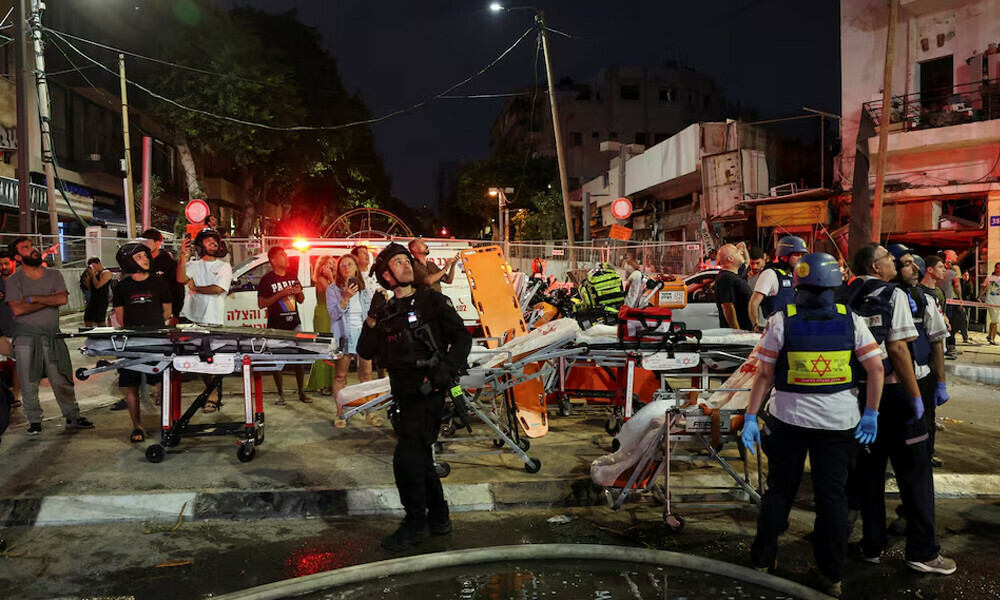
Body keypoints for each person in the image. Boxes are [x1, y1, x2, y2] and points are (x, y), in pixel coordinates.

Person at [741, 252, 884, 598]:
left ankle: (762, 560)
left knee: (779, 491)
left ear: (798, 285)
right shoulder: (851, 320)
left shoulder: (781, 320)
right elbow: (876, 368)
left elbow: (764, 374)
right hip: (839, 424)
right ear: (836, 284)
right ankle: (831, 575)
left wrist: (750, 416)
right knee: (832, 498)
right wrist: (871, 413)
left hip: (788, 422)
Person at [844, 243, 956, 576]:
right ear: (876, 267)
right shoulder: (894, 295)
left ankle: (872, 545)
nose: (894, 262)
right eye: (889, 258)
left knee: (870, 473)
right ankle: (923, 551)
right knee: (916, 474)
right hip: (895, 393)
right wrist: (916, 396)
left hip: (860, 395)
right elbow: (898, 349)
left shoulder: (845, 294)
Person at [358, 242, 472, 552]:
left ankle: (414, 524)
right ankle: (439, 518)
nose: (407, 265)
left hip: (428, 392)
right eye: (398, 262)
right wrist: (372, 320)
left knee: (405, 460)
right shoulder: (386, 312)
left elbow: (462, 339)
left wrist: (444, 371)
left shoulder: (432, 301)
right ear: (386, 275)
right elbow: (365, 351)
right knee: (420, 457)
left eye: (407, 260)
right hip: (403, 397)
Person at [6, 237, 95, 435]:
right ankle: (34, 420)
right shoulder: (14, 280)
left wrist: (34, 298)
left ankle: (73, 416)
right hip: (26, 337)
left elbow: (62, 299)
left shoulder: (54, 274)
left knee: (61, 377)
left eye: (32, 245)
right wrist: (49, 301)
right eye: (26, 248)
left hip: (53, 336)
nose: (33, 249)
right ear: (18, 257)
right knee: (28, 380)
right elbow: (18, 309)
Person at [889, 245, 948, 469]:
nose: (916, 269)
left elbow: (936, 341)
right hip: (889, 382)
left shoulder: (925, 299)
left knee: (921, 435)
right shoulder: (879, 298)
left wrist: (940, 382)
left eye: (916, 264)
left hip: (921, 377)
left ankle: (924, 459)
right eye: (908, 264)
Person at [112, 242, 172, 443]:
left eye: (145, 255)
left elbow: (167, 312)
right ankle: (137, 426)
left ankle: (168, 423)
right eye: (138, 257)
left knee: (163, 382)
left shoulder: (160, 282)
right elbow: (121, 319)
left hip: (156, 341)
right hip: (131, 342)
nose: (145, 259)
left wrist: (152, 327)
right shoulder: (121, 288)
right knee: (130, 385)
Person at [177, 228, 233, 412]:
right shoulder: (194, 264)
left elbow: (218, 289)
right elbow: (180, 278)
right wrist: (182, 256)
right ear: (201, 245)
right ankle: (212, 392)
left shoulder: (224, 266)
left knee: (212, 360)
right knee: (199, 361)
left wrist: (196, 287)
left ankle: (213, 394)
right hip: (192, 317)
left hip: (213, 319)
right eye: (208, 240)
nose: (213, 243)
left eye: (215, 241)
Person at [328, 253, 379, 428]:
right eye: (342, 265)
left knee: (366, 375)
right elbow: (333, 314)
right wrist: (346, 297)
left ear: (356, 268)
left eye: (349, 264)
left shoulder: (364, 289)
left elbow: (370, 313)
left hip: (363, 334)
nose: (345, 268)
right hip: (344, 335)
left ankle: (370, 411)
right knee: (341, 375)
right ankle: (340, 412)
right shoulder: (333, 289)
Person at [258, 246, 311, 405]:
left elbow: (301, 300)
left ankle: (301, 391)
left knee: (299, 359)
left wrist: (298, 292)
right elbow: (261, 304)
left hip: (295, 324)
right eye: (283, 255)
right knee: (277, 361)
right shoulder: (267, 279)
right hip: (276, 326)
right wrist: (280, 294)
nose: (287, 257)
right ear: (273, 260)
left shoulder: (292, 276)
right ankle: (280, 393)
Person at [748, 235, 808, 329]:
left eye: (802, 255)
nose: (800, 258)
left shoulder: (796, 276)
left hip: (794, 330)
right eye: (796, 255)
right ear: (784, 256)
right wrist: (756, 325)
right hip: (774, 331)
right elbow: (753, 303)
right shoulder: (770, 274)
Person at [139, 229, 184, 324]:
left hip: (164, 311)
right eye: (142, 242)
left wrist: (175, 314)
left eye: (147, 242)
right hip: (143, 310)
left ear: (158, 243)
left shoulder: (169, 264)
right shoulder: (139, 262)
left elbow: (177, 289)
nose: (144, 245)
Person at [306, 256, 336, 394]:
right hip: (323, 313)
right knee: (324, 346)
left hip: (332, 313)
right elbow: (334, 292)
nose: (331, 266)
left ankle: (332, 382)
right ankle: (322, 383)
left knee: (333, 347)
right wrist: (330, 277)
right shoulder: (321, 280)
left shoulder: (333, 279)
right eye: (327, 264)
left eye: (332, 263)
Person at [714, 243, 752, 330]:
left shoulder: (734, 274)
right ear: (730, 258)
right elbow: (727, 306)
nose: (741, 253)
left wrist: (744, 249)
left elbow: (746, 262)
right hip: (738, 331)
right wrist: (736, 330)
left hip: (744, 329)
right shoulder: (726, 278)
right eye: (737, 252)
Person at [0, 253, 19, 409]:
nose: (3, 267)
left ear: (13, 262)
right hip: (1, 331)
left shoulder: (21, 281)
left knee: (18, 364)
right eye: (0, 264)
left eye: (6, 263)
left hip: (17, 330)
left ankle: (15, 396)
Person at [938, 250, 962, 358]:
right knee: (949, 324)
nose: (956, 256)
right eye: (955, 254)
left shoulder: (933, 271)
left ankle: (943, 347)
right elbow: (957, 286)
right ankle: (950, 347)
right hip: (948, 301)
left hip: (937, 300)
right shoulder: (952, 271)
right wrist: (960, 299)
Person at [83, 257, 113, 327]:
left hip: (101, 299)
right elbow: (88, 287)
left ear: (99, 263)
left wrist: (93, 275)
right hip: (93, 298)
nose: (94, 268)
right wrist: (88, 276)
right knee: (87, 319)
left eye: (94, 266)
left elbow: (98, 286)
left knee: (100, 321)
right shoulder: (95, 274)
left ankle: (103, 333)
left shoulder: (106, 273)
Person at [978, 262, 1000, 345]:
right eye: (997, 267)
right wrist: (979, 297)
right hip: (991, 302)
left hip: (998, 302)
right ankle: (992, 338)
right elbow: (983, 287)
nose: (998, 270)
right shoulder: (989, 278)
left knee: (995, 321)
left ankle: (990, 336)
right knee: (995, 320)